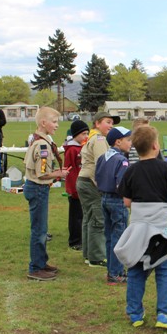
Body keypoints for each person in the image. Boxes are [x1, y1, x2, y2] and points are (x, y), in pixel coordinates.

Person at [114, 125, 167, 329]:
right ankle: (165, 313)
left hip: (139, 230)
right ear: (156, 146)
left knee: (137, 269)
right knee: (164, 270)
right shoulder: (166, 168)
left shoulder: (130, 171)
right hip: (163, 230)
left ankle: (134, 313)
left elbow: (126, 202)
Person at [23, 107, 69, 281]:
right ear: (44, 123)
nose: (57, 125)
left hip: (36, 187)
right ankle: (35, 268)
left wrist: (56, 170)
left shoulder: (38, 140)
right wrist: (59, 173)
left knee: (41, 229)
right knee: (39, 230)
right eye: (54, 122)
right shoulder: (42, 144)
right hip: (38, 188)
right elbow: (42, 173)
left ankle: (41, 263)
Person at [77, 111, 121, 268]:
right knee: (97, 219)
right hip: (91, 181)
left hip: (83, 180)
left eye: (112, 123)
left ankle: (89, 254)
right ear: (97, 123)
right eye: (107, 122)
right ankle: (96, 257)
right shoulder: (100, 139)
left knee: (89, 219)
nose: (111, 125)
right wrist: (104, 186)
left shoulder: (92, 137)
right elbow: (102, 164)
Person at [95, 126, 132, 285]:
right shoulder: (122, 160)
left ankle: (111, 271)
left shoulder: (103, 157)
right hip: (117, 201)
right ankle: (116, 273)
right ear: (118, 141)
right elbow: (121, 185)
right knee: (119, 238)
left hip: (104, 198)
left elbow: (96, 178)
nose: (131, 143)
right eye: (128, 140)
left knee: (110, 237)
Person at [64, 119, 90, 251]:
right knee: (76, 216)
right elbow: (70, 170)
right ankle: (74, 241)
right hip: (75, 188)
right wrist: (73, 188)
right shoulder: (72, 150)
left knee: (83, 215)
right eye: (83, 134)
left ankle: (81, 238)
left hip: (83, 187)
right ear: (75, 135)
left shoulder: (82, 148)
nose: (86, 137)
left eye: (87, 134)